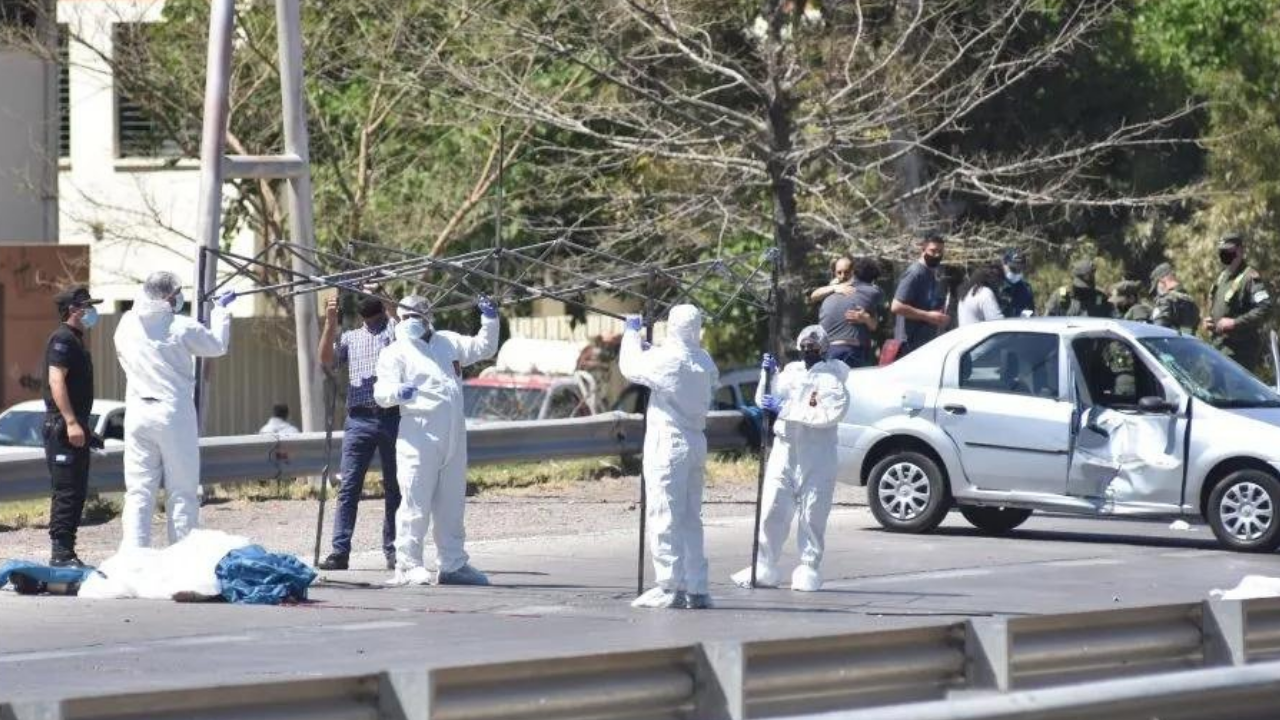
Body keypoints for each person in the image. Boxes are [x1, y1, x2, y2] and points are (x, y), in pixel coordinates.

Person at [373, 294, 499, 586]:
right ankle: (408, 564)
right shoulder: (395, 352)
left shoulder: (448, 342)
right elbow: (381, 392)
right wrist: (397, 393)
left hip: (454, 432)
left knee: (452, 503)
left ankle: (453, 564)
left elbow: (484, 347)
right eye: (405, 318)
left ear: (428, 316)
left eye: (415, 316)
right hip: (419, 433)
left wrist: (490, 319)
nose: (410, 323)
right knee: (415, 500)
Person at [114, 271, 236, 549]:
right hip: (172, 413)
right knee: (182, 491)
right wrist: (222, 311)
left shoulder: (126, 323)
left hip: (137, 412)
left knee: (138, 492)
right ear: (169, 296)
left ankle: (134, 557)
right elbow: (217, 345)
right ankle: (182, 555)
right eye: (177, 293)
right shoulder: (180, 326)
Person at [732, 325, 849, 592]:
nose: (808, 351)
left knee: (812, 511)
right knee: (773, 506)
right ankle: (764, 564)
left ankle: (809, 567)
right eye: (805, 347)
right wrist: (768, 375)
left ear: (823, 350)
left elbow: (828, 414)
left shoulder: (832, 379)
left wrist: (785, 408)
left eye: (813, 347)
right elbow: (765, 399)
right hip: (785, 449)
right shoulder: (791, 373)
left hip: (816, 453)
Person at [619, 304, 718, 609]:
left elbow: (630, 367)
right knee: (690, 518)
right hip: (696, 441)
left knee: (664, 514)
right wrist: (652, 350)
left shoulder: (667, 359)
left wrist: (631, 332)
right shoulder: (703, 359)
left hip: (670, 442)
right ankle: (697, 587)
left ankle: (668, 586)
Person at [317, 293, 402, 571]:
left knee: (395, 487)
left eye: (372, 292)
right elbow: (326, 359)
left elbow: (408, 335)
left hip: (392, 418)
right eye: (363, 293)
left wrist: (392, 307)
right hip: (359, 420)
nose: (366, 297)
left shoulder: (394, 331)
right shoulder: (351, 337)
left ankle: (393, 550)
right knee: (349, 488)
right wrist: (330, 321)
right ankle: (340, 551)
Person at [42, 287, 103, 567]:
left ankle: (68, 551)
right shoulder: (62, 339)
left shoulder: (76, 341)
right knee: (66, 491)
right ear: (73, 310)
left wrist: (85, 429)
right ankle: (61, 554)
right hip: (62, 427)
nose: (91, 312)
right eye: (87, 307)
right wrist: (70, 422)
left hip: (74, 426)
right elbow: (57, 381)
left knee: (76, 491)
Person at [1204, 233, 1272, 373]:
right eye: (1222, 251)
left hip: (1240, 352)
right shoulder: (1222, 277)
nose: (1225, 255)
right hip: (1218, 348)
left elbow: (1265, 309)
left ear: (1240, 251)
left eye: (1229, 251)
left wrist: (1234, 323)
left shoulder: (1249, 277)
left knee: (1237, 393)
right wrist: (1210, 322)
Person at [890, 233, 949, 357]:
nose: (937, 255)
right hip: (909, 344)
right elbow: (896, 306)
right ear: (923, 250)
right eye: (933, 251)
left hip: (924, 342)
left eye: (940, 252)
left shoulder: (931, 273)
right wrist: (928, 316)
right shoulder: (915, 273)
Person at [817, 257, 882, 367]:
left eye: (845, 272)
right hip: (851, 352)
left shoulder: (829, 293)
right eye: (839, 272)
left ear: (853, 273)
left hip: (825, 352)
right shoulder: (873, 291)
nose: (842, 276)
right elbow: (874, 326)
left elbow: (813, 295)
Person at [1045, 259, 1112, 318]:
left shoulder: (1099, 298)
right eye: (1080, 288)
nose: (1083, 291)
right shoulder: (1062, 294)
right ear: (1073, 279)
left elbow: (1113, 320)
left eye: (1086, 288)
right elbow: (1047, 320)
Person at [1149, 263, 1200, 334]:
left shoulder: (1165, 301)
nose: (1156, 294)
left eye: (1156, 288)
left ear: (1162, 281)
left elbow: (1157, 331)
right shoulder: (1191, 301)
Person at [957, 262, 1005, 326]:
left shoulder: (967, 291)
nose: (999, 285)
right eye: (998, 279)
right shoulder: (985, 293)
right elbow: (998, 323)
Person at [997, 249, 1035, 318]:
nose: (1017, 271)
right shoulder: (997, 287)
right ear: (1004, 265)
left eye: (1020, 268)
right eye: (1013, 268)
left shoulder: (1026, 288)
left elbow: (1031, 311)